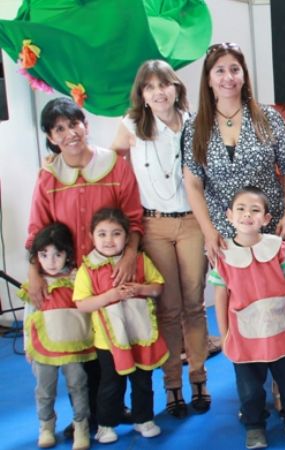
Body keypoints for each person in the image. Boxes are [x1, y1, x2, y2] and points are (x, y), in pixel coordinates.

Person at [26, 96, 144, 437]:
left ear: (85, 125)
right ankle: (88, 415)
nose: (69, 133)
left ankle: (111, 409)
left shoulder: (115, 166)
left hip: (111, 273)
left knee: (114, 342)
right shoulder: (48, 177)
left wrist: (129, 255)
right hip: (68, 279)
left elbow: (134, 220)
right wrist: (35, 271)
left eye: (74, 124)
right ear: (51, 137)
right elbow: (36, 230)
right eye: (59, 129)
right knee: (79, 348)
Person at [111, 59, 210, 418]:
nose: (158, 92)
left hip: (192, 223)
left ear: (176, 87)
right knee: (167, 308)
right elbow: (111, 165)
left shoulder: (195, 121)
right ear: (142, 94)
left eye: (164, 84)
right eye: (150, 87)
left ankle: (199, 377)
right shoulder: (132, 125)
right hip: (153, 226)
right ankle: (173, 386)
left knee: (194, 304)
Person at [208, 186, 285, 449]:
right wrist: (224, 333)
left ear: (266, 218)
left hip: (282, 328)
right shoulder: (224, 254)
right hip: (244, 333)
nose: (247, 215)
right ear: (229, 215)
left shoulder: (277, 247)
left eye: (255, 210)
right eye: (241, 209)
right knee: (249, 386)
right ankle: (254, 424)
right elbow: (221, 296)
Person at [183, 42, 285, 267]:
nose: (228, 77)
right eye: (220, 70)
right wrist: (208, 231)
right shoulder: (195, 127)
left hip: (270, 225)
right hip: (225, 233)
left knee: (280, 293)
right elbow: (193, 184)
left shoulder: (268, 117)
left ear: (244, 76)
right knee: (234, 297)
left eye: (234, 69)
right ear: (208, 79)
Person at [73, 208, 168, 444]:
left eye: (116, 234)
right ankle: (106, 424)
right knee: (111, 383)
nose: (109, 240)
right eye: (102, 234)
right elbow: (82, 304)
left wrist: (139, 289)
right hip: (109, 340)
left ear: (127, 237)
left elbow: (157, 287)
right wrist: (111, 295)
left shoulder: (139, 260)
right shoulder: (88, 268)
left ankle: (143, 419)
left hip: (140, 334)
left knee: (143, 380)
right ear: (91, 236)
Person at [19, 223, 93, 450]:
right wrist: (28, 347)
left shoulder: (77, 278)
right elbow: (29, 319)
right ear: (36, 257)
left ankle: (81, 425)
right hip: (44, 348)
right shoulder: (36, 285)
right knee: (44, 389)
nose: (51, 261)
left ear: (67, 255)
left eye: (57, 254)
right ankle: (46, 426)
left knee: (78, 385)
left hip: (74, 345)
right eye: (44, 255)